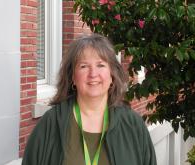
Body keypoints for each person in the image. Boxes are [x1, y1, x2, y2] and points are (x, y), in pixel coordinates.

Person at [22, 33, 157, 165]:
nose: (93, 74)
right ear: (73, 77)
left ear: (112, 75)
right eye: (84, 66)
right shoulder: (50, 124)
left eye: (100, 65)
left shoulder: (132, 124)